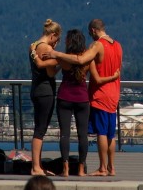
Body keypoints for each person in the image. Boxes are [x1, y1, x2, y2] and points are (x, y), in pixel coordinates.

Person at [43, 18, 122, 177]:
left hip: (82, 95)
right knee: (98, 134)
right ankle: (95, 168)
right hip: (100, 96)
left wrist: (55, 54)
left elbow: (73, 63)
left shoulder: (71, 56)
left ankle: (75, 168)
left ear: (93, 30)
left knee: (71, 133)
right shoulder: (117, 46)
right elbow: (91, 68)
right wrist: (114, 77)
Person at [29, 18, 62, 176]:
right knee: (40, 130)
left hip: (36, 89)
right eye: (58, 39)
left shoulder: (34, 46)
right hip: (45, 91)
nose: (58, 42)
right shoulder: (46, 49)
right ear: (53, 35)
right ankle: (36, 167)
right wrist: (61, 63)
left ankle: (38, 165)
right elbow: (49, 72)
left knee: (38, 128)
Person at [55, 29, 90, 177]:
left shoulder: (63, 58)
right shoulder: (87, 59)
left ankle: (66, 168)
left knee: (65, 135)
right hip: (82, 98)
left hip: (65, 97)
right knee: (83, 135)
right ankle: (81, 169)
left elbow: (53, 69)